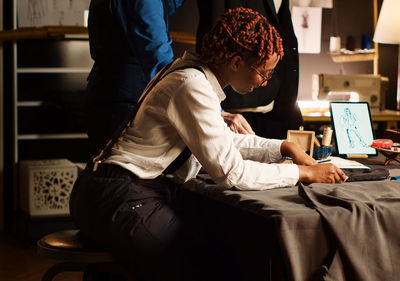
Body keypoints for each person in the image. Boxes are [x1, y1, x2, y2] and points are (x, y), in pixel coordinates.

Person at [70, 7, 347, 281]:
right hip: (114, 195)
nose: (264, 83)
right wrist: (303, 172)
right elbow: (232, 173)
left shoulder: (193, 75)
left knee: (219, 242)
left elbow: (222, 142)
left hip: (122, 190)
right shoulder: (192, 85)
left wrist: (284, 148)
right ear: (236, 63)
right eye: (263, 73)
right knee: (200, 265)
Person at [85, 0, 252, 155]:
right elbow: (160, 62)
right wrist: (215, 112)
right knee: (123, 180)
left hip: (110, 96)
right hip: (123, 105)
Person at [196, 0, 303, 139]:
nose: (265, 81)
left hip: (275, 102)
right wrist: (218, 109)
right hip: (236, 101)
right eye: (264, 76)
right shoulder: (193, 86)